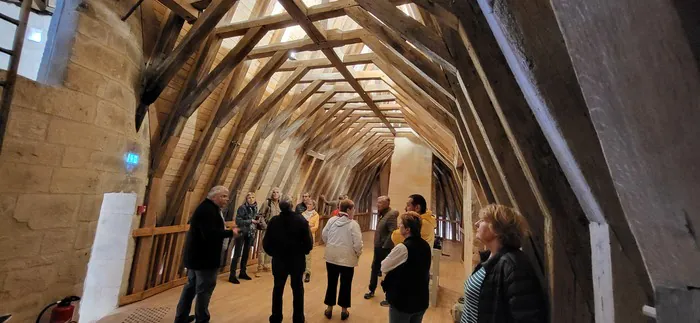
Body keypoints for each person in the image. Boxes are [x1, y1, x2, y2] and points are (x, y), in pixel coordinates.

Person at [460, 204, 546, 323]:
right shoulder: (490, 257)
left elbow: (526, 317)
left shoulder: (514, 266)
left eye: (483, 220)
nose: (477, 224)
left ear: (496, 229)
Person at [175, 186, 240, 323]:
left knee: (191, 288)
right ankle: (202, 319)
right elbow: (210, 234)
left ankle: (181, 318)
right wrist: (231, 233)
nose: (227, 199)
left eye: (227, 196)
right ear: (214, 196)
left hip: (196, 257)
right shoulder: (207, 210)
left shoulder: (208, 208)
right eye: (223, 196)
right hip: (204, 259)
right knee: (204, 291)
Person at [263, 196, 313, 323]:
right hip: (297, 260)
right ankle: (298, 318)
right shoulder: (300, 220)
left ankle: (276, 317)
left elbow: (266, 243)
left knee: (278, 289)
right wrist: (303, 252)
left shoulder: (274, 221)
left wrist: (274, 253)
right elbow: (308, 242)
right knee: (297, 289)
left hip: (279, 260)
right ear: (291, 206)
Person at [381, 212, 432, 323]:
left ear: (408, 229)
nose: (399, 226)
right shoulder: (426, 245)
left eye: (401, 224)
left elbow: (384, 267)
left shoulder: (403, 248)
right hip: (421, 300)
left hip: (403, 302)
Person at [322, 199, 363, 321]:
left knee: (331, 282)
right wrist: (357, 254)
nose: (354, 211)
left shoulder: (331, 221)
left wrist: (331, 246)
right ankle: (344, 311)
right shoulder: (353, 224)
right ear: (349, 209)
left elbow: (324, 235)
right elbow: (358, 244)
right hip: (347, 260)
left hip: (331, 258)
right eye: (353, 209)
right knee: (346, 284)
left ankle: (329, 309)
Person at [364, 196, 398, 307]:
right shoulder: (382, 214)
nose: (378, 204)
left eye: (381, 203)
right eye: (378, 202)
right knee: (374, 268)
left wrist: (384, 246)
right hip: (378, 247)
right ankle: (371, 290)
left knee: (388, 271)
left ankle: (389, 296)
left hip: (385, 249)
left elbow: (392, 232)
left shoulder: (391, 215)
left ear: (387, 204)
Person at [228, 192, 258, 284]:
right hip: (241, 232)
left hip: (250, 233)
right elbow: (238, 220)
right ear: (246, 199)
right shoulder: (242, 208)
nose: (251, 199)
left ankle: (243, 272)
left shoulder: (255, 208)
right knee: (237, 254)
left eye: (253, 197)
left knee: (246, 254)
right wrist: (250, 221)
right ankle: (232, 275)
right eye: (249, 197)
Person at [256, 187, 281, 277]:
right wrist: (265, 226)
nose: (275, 193)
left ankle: (267, 265)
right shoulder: (267, 203)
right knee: (262, 248)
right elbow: (260, 215)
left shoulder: (280, 204)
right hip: (267, 228)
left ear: (279, 194)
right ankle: (260, 267)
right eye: (273, 192)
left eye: (277, 192)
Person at [301, 199, 320, 283]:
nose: (308, 205)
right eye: (307, 204)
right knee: (301, 255)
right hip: (301, 237)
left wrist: (307, 227)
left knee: (308, 256)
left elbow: (315, 227)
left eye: (310, 204)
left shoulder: (316, 215)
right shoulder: (302, 214)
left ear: (313, 206)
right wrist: (308, 225)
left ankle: (307, 272)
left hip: (309, 237)